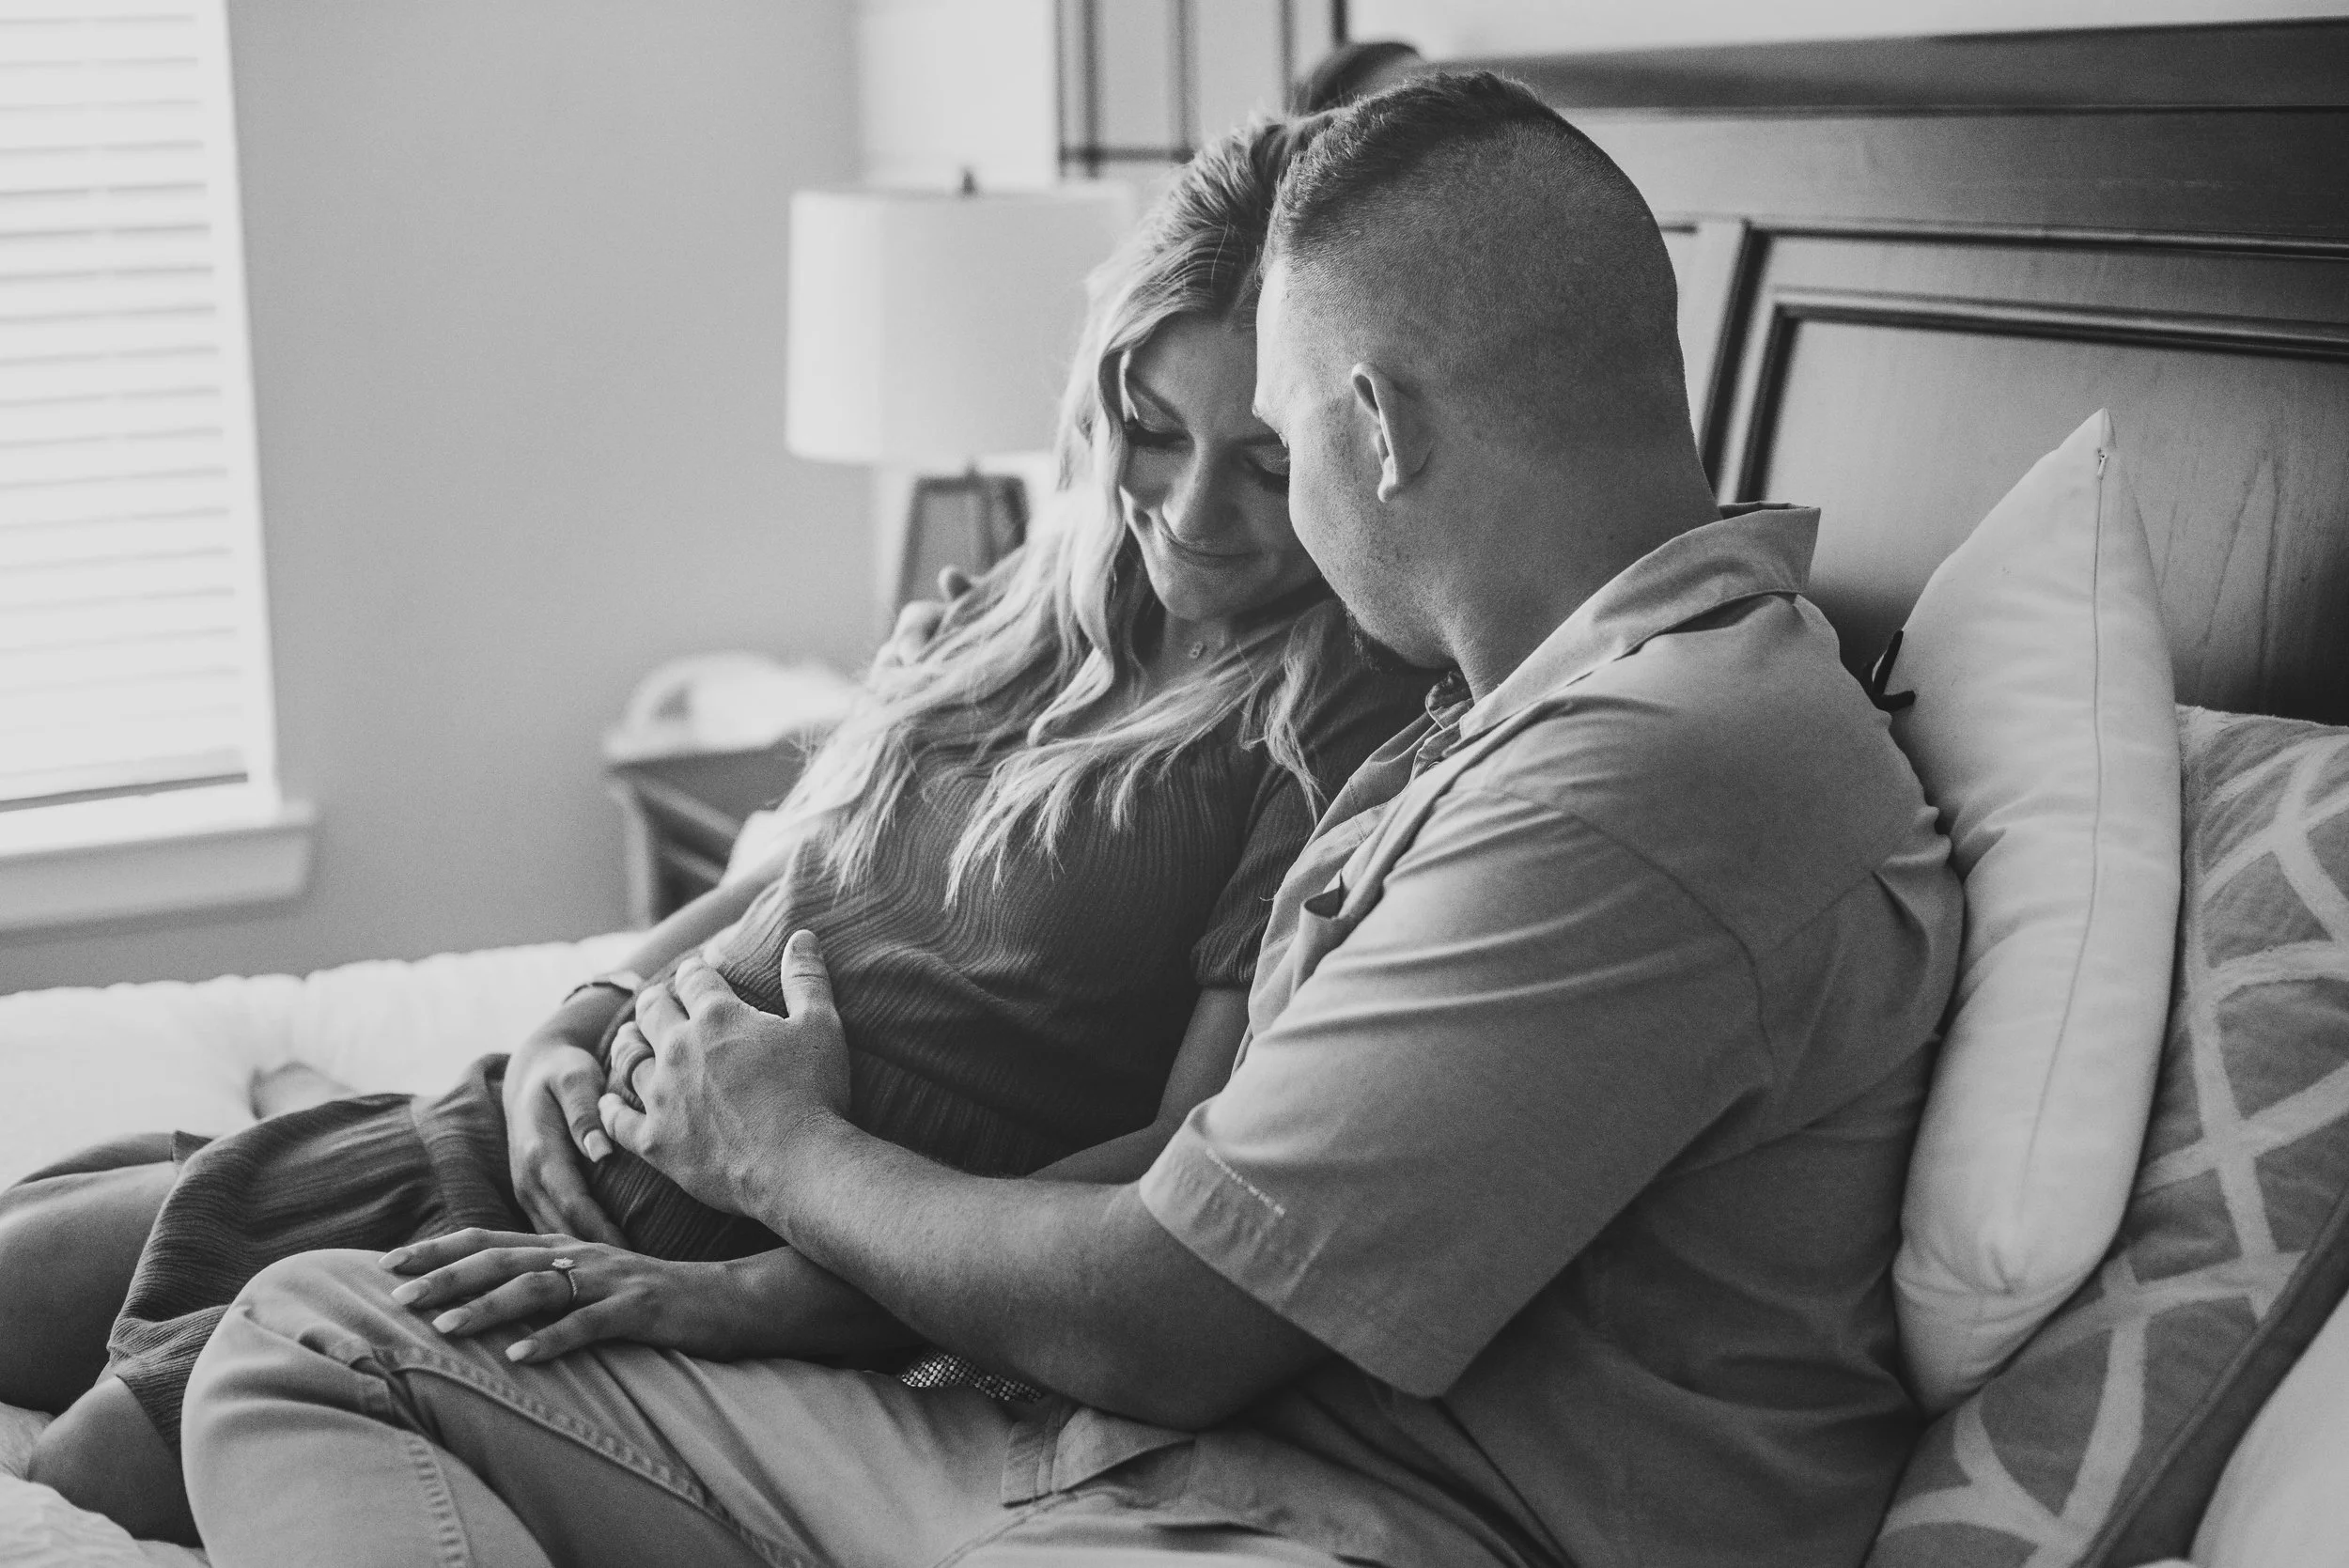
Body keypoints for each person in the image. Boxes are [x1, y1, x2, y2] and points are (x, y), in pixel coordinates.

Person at [179, 71, 1966, 1568]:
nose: (1213, 505)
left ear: (1374, 430)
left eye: (1272, 437)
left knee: (312, 1348)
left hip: (1327, 1519)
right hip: (1156, 1444)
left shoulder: (1656, 783)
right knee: (313, 1332)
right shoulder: (1558, 714)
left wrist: (780, 1162)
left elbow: (1166, 1310)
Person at [0, 115, 1427, 1545]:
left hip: (653, 1255)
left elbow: (1179, 1163)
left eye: (1260, 463)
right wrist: (585, 1005)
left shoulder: (1331, 722)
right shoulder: (1029, 607)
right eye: (1152, 430)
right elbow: (799, 875)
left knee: (72, 1491)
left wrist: (769, 1297)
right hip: (508, 1135)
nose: (1187, 513)